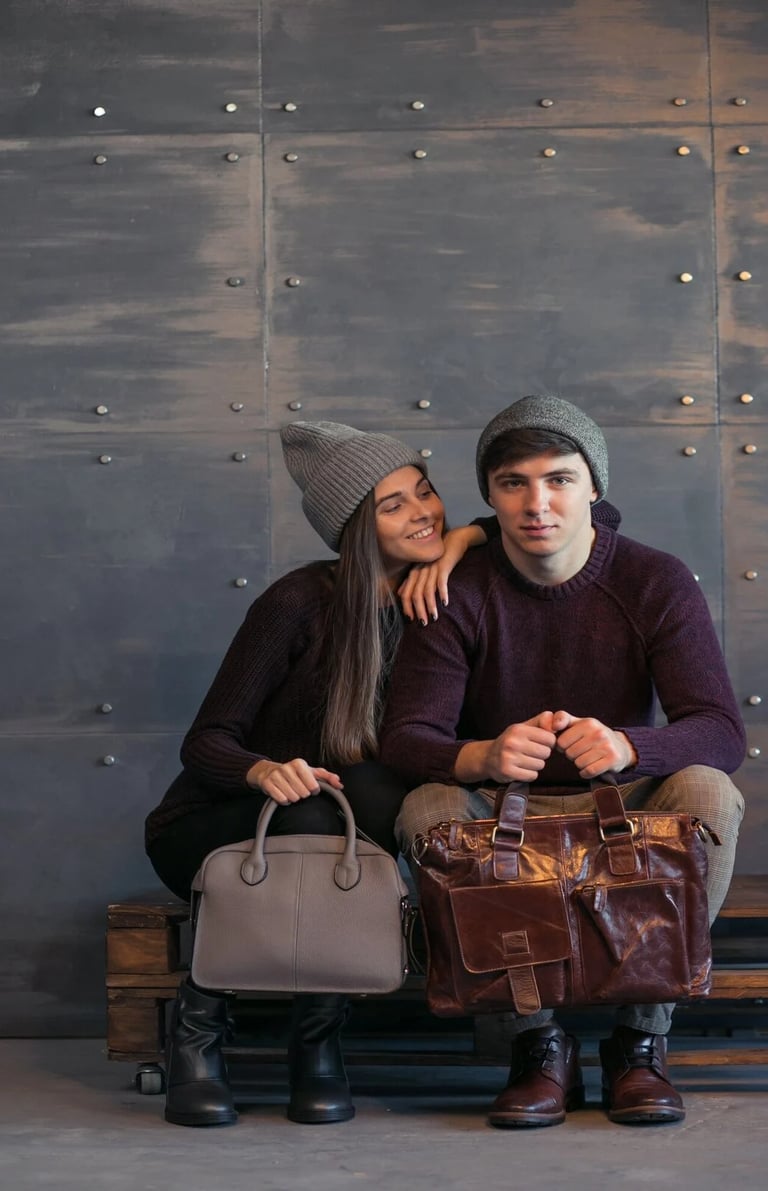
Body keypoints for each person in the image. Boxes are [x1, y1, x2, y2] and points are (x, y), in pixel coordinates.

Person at [379, 395, 746, 1130]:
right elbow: (406, 736)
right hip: (505, 810)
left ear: (594, 488)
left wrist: (631, 746)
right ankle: (535, 1047)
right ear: (490, 496)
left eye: (559, 479)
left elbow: (720, 730)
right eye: (513, 483)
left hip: (623, 803)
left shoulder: (654, 579)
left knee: (709, 792)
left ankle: (641, 1043)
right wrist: (480, 754)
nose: (537, 503)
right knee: (427, 806)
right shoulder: (456, 588)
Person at [144, 420, 490, 1128]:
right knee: (324, 803)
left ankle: (316, 1044)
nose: (422, 512)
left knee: (373, 792)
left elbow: (598, 513)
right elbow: (204, 743)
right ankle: (199, 1039)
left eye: (424, 491)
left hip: (334, 838)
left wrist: (464, 541)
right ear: (355, 527)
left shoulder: (441, 594)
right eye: (392, 504)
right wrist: (262, 769)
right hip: (216, 834)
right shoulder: (299, 602)